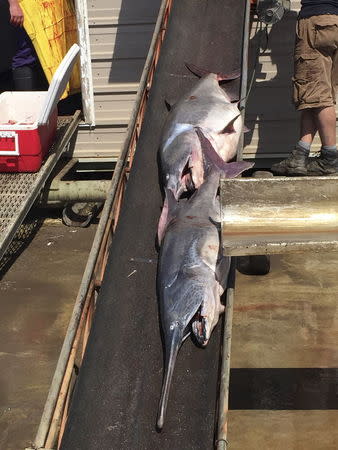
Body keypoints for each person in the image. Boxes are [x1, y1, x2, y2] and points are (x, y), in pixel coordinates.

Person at [271, 0, 338, 176]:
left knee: (318, 97)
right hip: (334, 23)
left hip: (316, 20)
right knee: (313, 95)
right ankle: (300, 155)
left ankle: (330, 158)